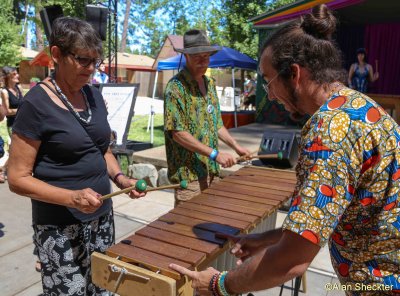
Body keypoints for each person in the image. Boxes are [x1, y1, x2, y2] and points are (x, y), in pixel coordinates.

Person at [169, 4, 400, 295]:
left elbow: (291, 260)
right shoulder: (360, 106)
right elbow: (324, 218)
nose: (271, 95)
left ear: (294, 73)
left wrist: (218, 284)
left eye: (268, 81)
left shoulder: (329, 132)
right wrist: (267, 238)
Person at [7, 17, 145, 295]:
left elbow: (100, 148)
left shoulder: (93, 94)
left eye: (97, 61)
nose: (92, 69)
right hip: (59, 228)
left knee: (103, 290)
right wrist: (72, 198)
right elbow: (16, 178)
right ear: (56, 54)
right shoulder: (35, 104)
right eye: (83, 60)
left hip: (102, 218)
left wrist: (119, 177)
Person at [164, 29, 251, 207]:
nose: (204, 61)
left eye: (207, 56)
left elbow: (216, 124)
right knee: (186, 230)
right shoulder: (176, 88)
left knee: (209, 228)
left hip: (212, 172)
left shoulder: (210, 84)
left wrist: (236, 147)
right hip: (189, 178)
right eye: (198, 56)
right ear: (187, 56)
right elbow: (177, 133)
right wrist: (215, 154)